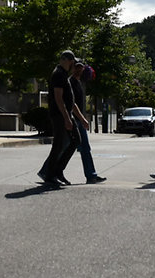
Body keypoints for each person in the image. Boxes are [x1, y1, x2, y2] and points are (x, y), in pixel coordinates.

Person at [37, 50, 79, 186]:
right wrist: (66, 118)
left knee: (75, 140)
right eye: (71, 61)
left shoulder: (64, 74)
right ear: (66, 60)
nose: (73, 64)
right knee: (59, 144)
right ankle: (50, 174)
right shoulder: (58, 74)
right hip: (59, 115)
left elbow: (68, 99)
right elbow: (58, 98)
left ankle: (58, 171)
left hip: (66, 114)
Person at [69, 61, 106, 183]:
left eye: (81, 67)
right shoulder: (71, 83)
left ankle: (91, 175)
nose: (79, 70)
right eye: (77, 67)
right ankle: (91, 175)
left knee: (80, 148)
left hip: (77, 120)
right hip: (74, 120)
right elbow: (72, 104)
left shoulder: (78, 83)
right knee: (68, 148)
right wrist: (82, 119)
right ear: (73, 68)